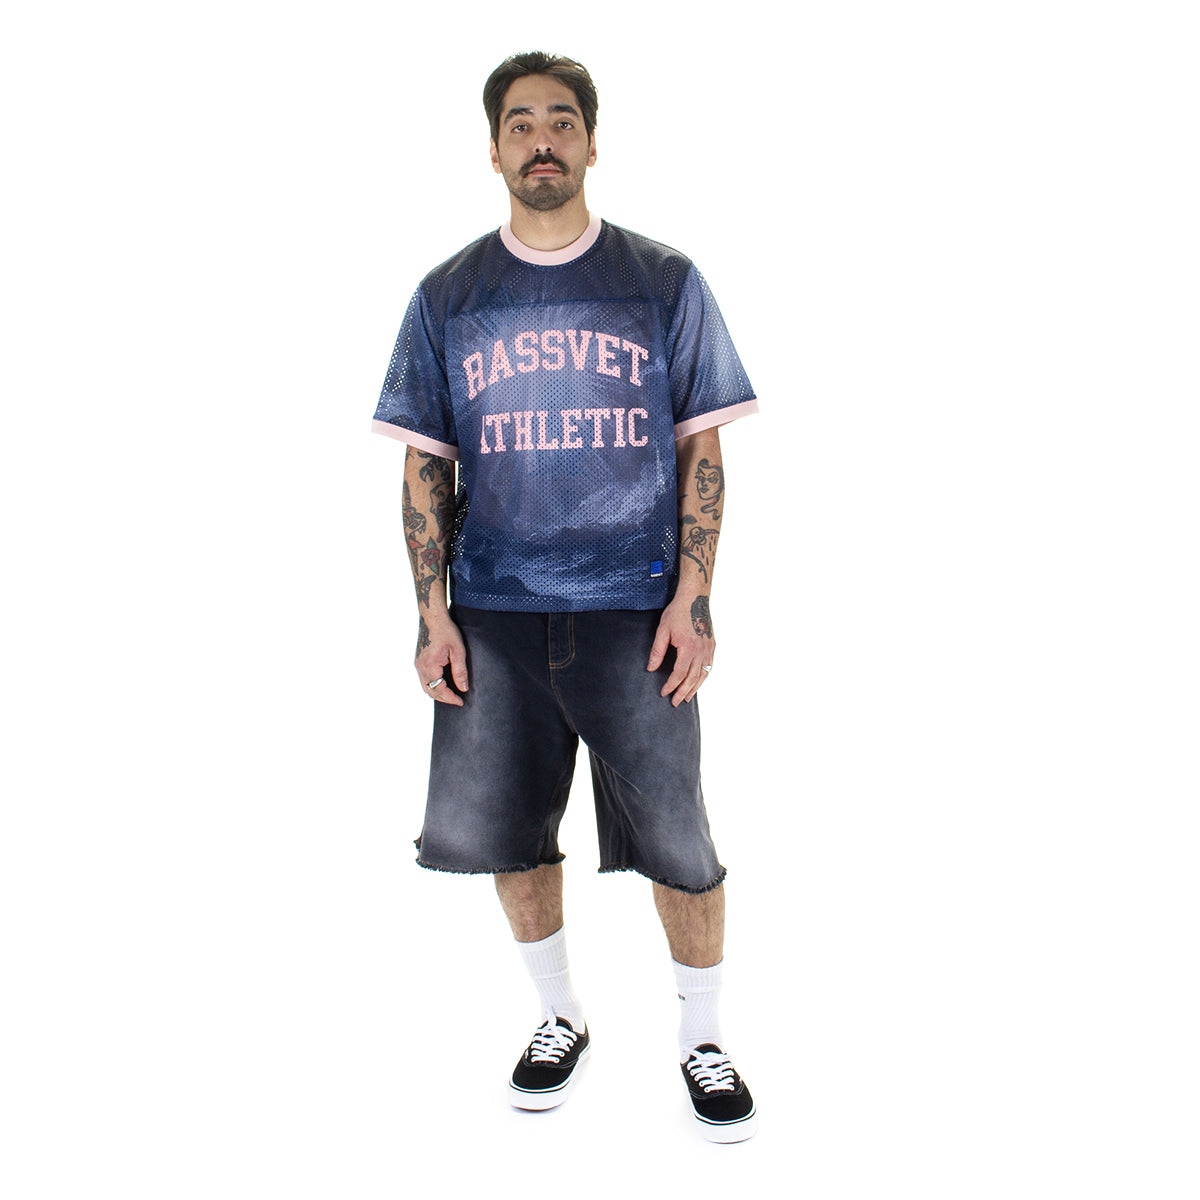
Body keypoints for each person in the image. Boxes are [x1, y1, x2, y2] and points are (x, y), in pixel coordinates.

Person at [371, 51, 759, 1142]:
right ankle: (559, 1017)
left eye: (560, 121)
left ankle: (702, 1036)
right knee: (510, 836)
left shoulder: (662, 280)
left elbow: (702, 448)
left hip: (635, 611)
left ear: (591, 140)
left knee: (679, 840)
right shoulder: (449, 295)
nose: (541, 140)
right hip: (492, 614)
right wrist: (431, 613)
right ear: (493, 149)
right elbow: (425, 464)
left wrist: (695, 596)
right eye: (520, 123)